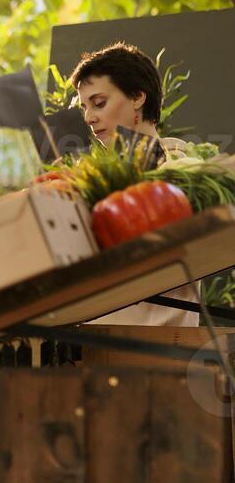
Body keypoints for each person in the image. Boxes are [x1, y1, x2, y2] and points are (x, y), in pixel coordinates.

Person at [71, 41, 199, 326]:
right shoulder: (85, 177)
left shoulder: (183, 166)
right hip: (90, 345)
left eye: (99, 103)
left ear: (137, 97)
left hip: (163, 345)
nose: (89, 118)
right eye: (84, 107)